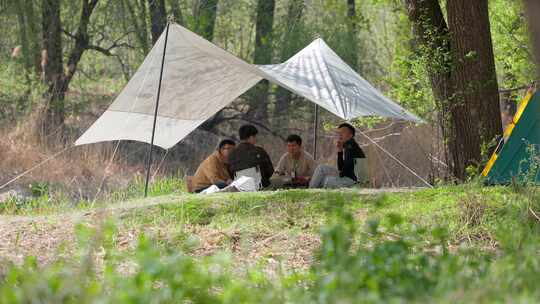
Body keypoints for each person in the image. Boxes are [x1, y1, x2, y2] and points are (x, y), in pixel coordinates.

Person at [309, 123, 366, 188]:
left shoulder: (351, 146)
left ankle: (310, 189)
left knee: (327, 180)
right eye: (339, 133)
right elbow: (341, 168)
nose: (340, 135)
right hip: (349, 177)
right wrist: (340, 151)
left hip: (353, 181)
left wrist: (335, 175)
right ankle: (312, 189)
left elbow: (344, 170)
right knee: (321, 168)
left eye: (343, 132)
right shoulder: (350, 145)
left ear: (351, 135)